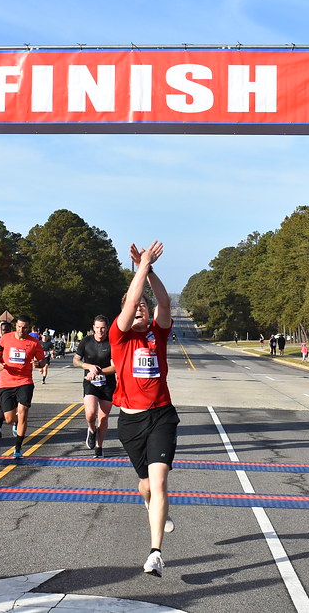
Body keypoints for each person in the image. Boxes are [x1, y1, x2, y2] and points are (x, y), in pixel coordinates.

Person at [109, 241, 177, 578]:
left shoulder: (158, 334)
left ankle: (155, 554)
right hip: (130, 421)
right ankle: (151, 505)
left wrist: (148, 270)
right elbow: (132, 299)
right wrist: (140, 268)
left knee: (159, 481)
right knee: (146, 486)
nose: (139, 309)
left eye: (142, 308)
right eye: (133, 306)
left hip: (162, 415)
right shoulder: (119, 336)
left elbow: (163, 302)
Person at [0, 315, 46, 458]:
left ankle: (18, 448)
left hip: (25, 381)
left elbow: (43, 360)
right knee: (9, 419)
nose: (21, 330)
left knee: (23, 412)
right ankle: (16, 422)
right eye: (19, 327)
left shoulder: (34, 343)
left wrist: (38, 364)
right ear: (15, 326)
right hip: (6, 382)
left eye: (25, 328)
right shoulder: (5, 338)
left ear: (29, 328)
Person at [74, 315, 116, 458]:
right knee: (91, 413)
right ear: (93, 328)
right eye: (97, 328)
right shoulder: (86, 341)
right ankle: (91, 430)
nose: (100, 331)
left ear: (107, 328)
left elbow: (115, 367)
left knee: (103, 418)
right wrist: (87, 366)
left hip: (107, 384)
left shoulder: (112, 343)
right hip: (90, 382)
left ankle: (99, 446)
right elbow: (76, 361)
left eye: (103, 328)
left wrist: (98, 371)